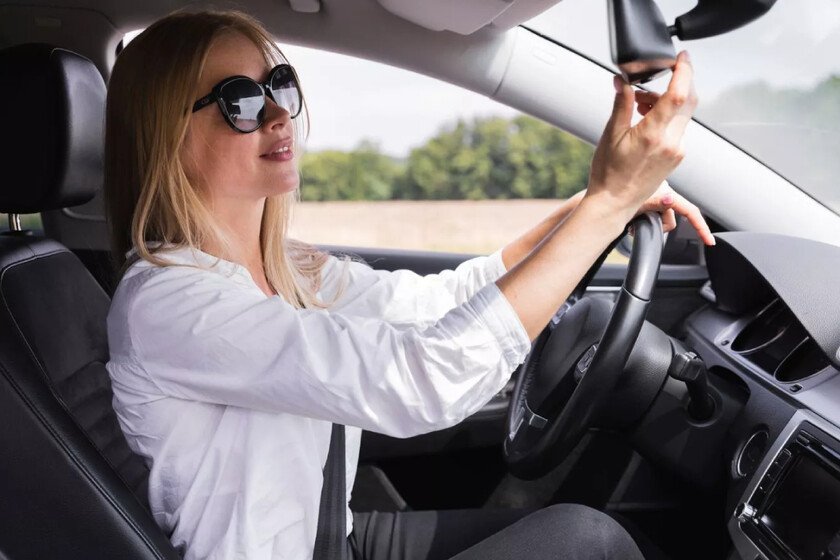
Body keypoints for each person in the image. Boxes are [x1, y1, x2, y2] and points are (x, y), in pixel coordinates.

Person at [103, 9, 710, 560]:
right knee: (589, 545)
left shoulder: (287, 267)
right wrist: (609, 203)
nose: (278, 113)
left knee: (600, 534)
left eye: (279, 84)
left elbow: (432, 304)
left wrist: (586, 209)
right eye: (238, 100)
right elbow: (419, 382)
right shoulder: (169, 301)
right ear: (165, 134)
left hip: (332, 538)